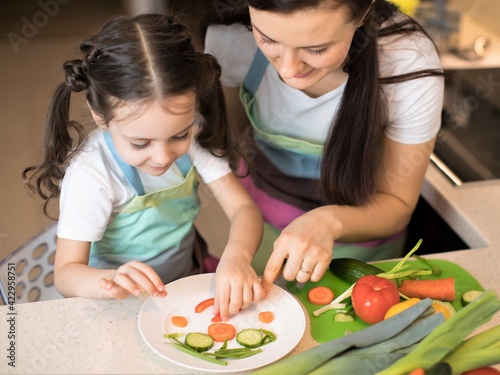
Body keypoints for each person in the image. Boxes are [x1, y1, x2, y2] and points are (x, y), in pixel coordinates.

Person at [22, 13, 264, 321]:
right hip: (115, 304)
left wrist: (238, 257)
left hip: (182, 280)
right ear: (101, 117)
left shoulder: (195, 132)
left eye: (179, 135)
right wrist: (109, 282)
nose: (163, 157)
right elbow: (67, 275)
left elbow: (244, 209)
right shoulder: (91, 173)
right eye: (140, 144)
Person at [202, 0, 445, 293]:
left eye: (316, 49)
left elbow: (397, 204)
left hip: (362, 249)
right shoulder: (232, 38)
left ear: (363, 13)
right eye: (267, 38)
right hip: (262, 230)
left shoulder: (409, 63)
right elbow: (223, 145)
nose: (289, 70)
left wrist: (328, 222)